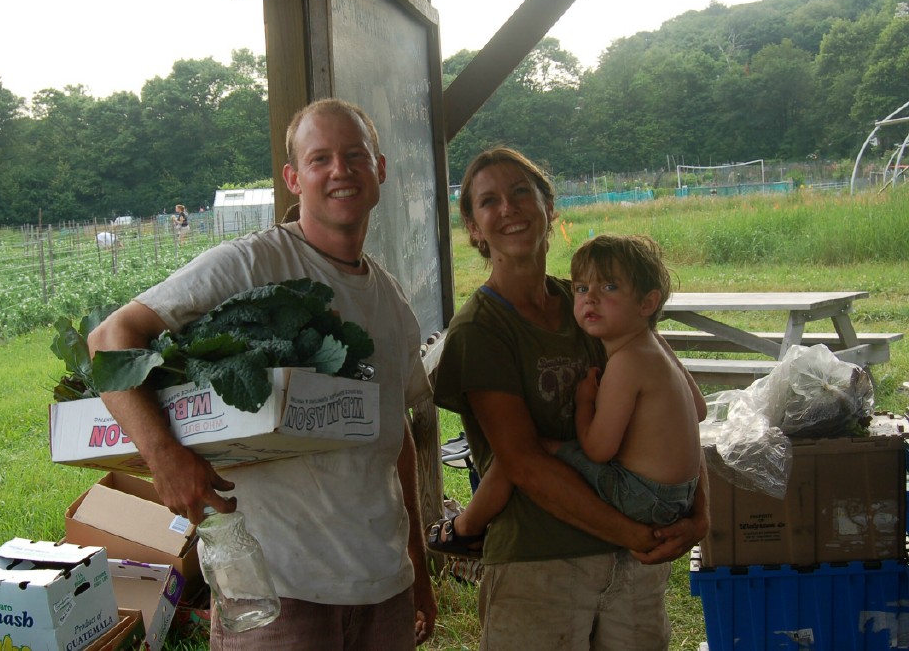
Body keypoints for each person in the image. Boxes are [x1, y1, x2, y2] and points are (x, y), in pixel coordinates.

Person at [88, 98, 437, 649]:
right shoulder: (253, 264)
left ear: (381, 169)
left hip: (384, 587)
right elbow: (110, 338)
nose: (340, 170)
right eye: (320, 159)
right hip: (277, 594)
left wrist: (416, 569)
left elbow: (397, 442)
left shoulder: (391, 301)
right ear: (294, 179)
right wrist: (163, 456)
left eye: (355, 155)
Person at [429, 147, 708, 651]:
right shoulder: (481, 328)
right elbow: (524, 464)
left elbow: (682, 408)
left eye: (521, 192)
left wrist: (699, 517)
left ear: (549, 207)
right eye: (489, 201)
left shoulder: (596, 304)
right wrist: (634, 533)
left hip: (631, 567)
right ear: (473, 227)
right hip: (539, 566)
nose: (509, 208)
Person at [429, 233, 703, 552]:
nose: (591, 298)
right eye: (582, 288)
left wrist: (584, 403)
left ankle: (467, 527)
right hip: (681, 495)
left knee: (533, 451)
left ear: (648, 303)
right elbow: (699, 409)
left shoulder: (625, 364)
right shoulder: (650, 348)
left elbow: (598, 450)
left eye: (609, 287)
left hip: (643, 498)